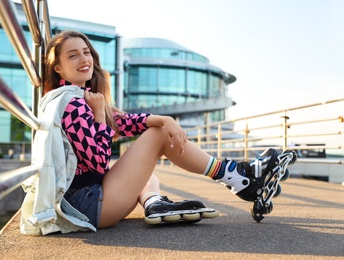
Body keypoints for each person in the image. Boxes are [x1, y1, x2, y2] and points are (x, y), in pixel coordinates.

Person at [25, 30, 280, 233]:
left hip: (90, 200)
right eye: (73, 55)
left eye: (86, 52)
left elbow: (123, 122)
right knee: (158, 134)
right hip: (89, 206)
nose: (84, 59)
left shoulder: (80, 97)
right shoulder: (72, 103)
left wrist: (161, 117)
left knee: (149, 175)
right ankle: (238, 178)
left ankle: (154, 202)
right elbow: (98, 162)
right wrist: (102, 115)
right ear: (57, 67)